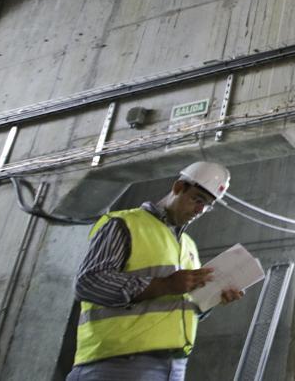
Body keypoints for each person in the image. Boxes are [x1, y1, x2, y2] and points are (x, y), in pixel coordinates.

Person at [68, 161, 244, 380]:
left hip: (174, 366)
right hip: (118, 363)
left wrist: (212, 299)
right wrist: (165, 285)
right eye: (198, 200)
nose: (200, 210)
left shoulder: (188, 245)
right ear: (179, 187)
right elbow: (89, 283)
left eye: (208, 205)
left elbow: (176, 307)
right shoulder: (125, 224)